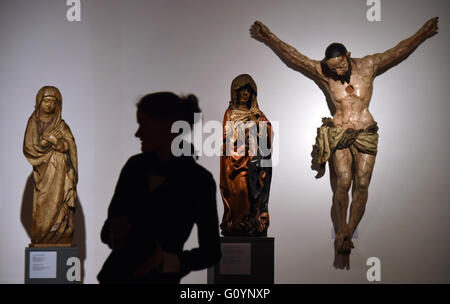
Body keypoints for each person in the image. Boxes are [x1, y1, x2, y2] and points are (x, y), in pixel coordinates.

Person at [250, 17, 438, 268]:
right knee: (344, 180)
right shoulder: (325, 72)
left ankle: (348, 231)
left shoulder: (369, 65)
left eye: (340, 66)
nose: (337, 72)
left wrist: (423, 33)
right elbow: (296, 57)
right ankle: (341, 232)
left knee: (361, 183)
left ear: (348, 56)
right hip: (339, 134)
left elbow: (398, 50)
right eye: (333, 68)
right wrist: (269, 37)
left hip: (366, 132)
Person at [97, 92, 221, 283]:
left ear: (169, 127)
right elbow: (108, 231)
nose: (137, 133)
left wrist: (168, 261)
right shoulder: (134, 167)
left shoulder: (199, 181)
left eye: (144, 124)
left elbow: (211, 252)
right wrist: (114, 233)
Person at [23, 86, 78, 245]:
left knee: (60, 203)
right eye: (46, 101)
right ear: (39, 102)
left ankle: (59, 230)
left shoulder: (61, 125)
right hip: (44, 173)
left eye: (53, 102)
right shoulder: (33, 123)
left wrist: (56, 142)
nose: (49, 105)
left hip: (61, 172)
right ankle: (43, 233)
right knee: (43, 204)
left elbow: (70, 147)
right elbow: (29, 147)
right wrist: (48, 141)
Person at [220, 74, 273, 236]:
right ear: (235, 92)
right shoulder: (230, 113)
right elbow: (227, 138)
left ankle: (253, 221)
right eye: (241, 90)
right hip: (235, 161)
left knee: (253, 191)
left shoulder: (258, 115)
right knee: (239, 191)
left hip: (253, 162)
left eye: (248, 91)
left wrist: (259, 127)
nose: (245, 94)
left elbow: (268, 134)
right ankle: (236, 222)